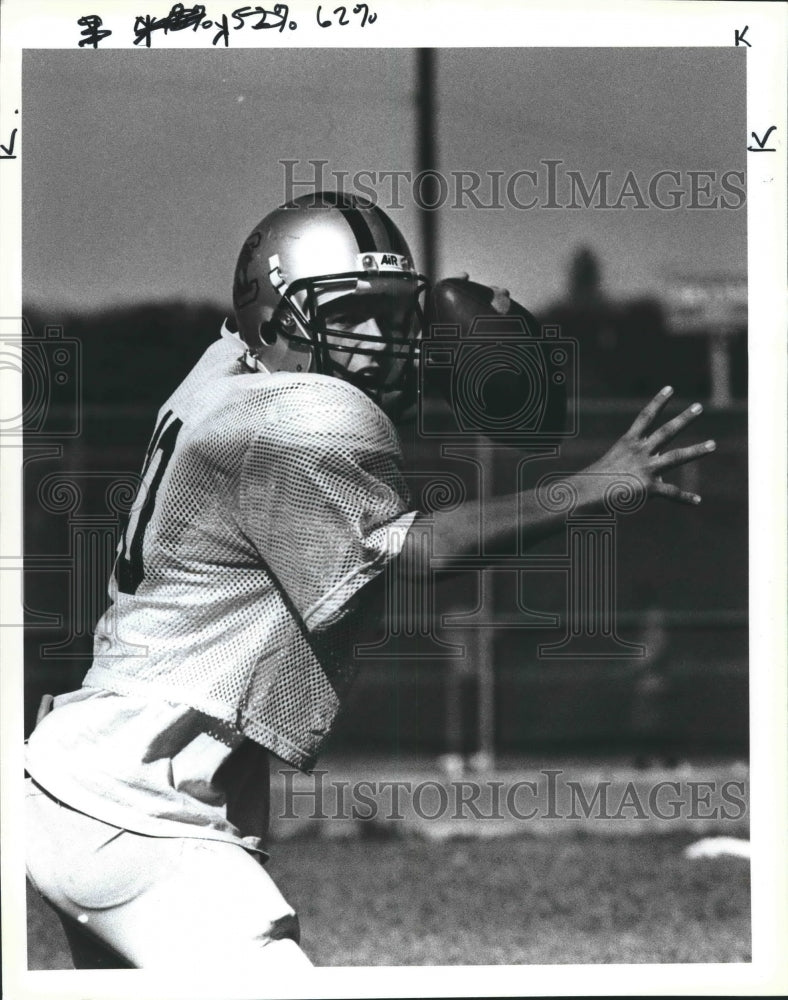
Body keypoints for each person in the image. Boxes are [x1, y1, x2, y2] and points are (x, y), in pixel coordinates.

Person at [25, 191, 716, 971]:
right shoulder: (301, 417)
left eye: (394, 314)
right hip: (137, 805)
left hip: (84, 773)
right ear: (278, 319)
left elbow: (266, 340)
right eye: (357, 313)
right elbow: (423, 553)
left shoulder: (223, 369)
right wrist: (593, 486)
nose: (384, 339)